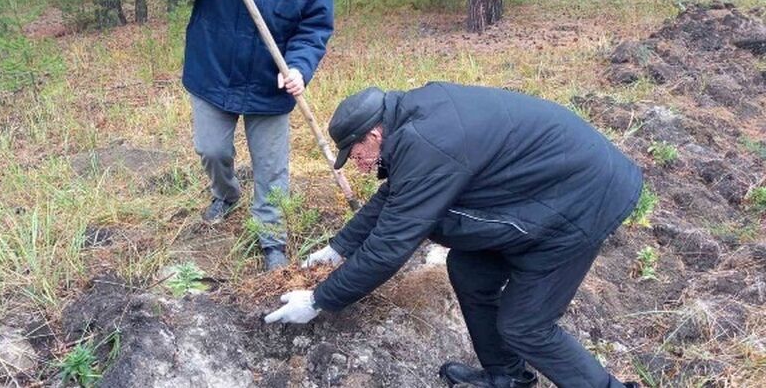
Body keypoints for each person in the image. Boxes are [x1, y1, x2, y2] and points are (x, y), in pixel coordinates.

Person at [265, 83, 644, 388]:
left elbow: (390, 248)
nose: (359, 164)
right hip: (548, 188)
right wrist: (338, 248)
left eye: (356, 152)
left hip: (583, 200)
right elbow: (395, 196)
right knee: (469, 268)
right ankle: (507, 376)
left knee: (525, 325)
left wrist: (318, 300)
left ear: (374, 133)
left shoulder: (427, 144)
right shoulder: (413, 123)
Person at [151, 0, 333, 270]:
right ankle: (226, 194)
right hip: (213, 70)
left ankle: (272, 239)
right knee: (212, 150)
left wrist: (300, 67)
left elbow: (315, 27)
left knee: (272, 169)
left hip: (270, 85)